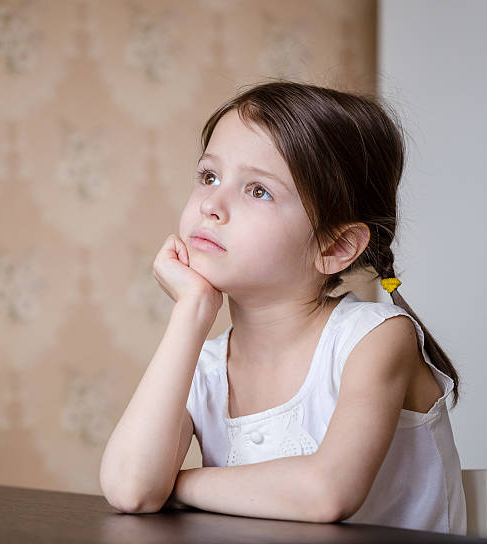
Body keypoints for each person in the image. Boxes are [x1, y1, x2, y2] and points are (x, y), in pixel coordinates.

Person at [99, 80, 466, 535]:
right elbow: (131, 489)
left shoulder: (376, 338)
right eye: (209, 176)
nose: (211, 204)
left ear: (335, 246)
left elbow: (326, 492)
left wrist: (176, 484)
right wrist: (191, 311)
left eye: (258, 191)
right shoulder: (207, 365)